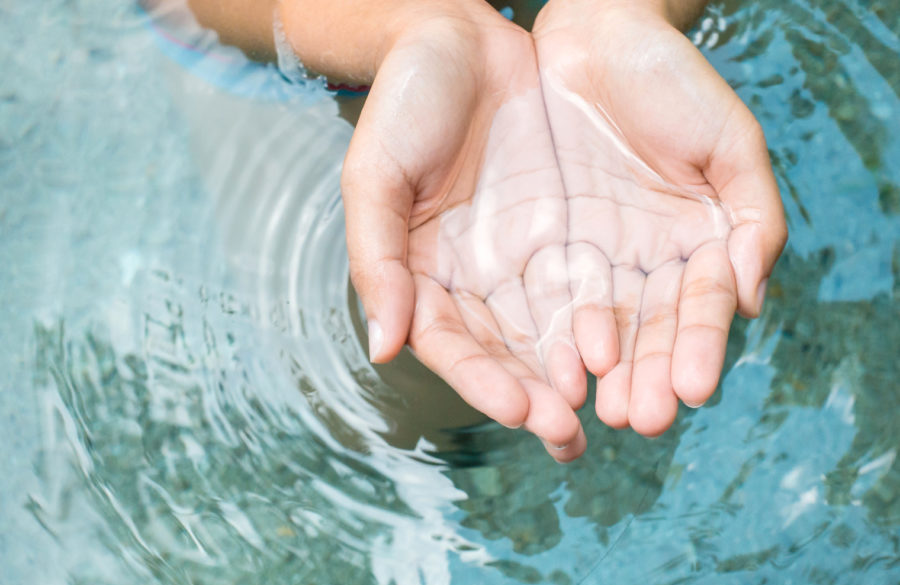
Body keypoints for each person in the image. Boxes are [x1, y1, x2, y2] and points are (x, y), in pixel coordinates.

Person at [162, 0, 787, 463]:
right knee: (392, 409)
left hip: (588, 44)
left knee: (424, 386)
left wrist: (629, 11)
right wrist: (408, 24)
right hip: (311, 30)